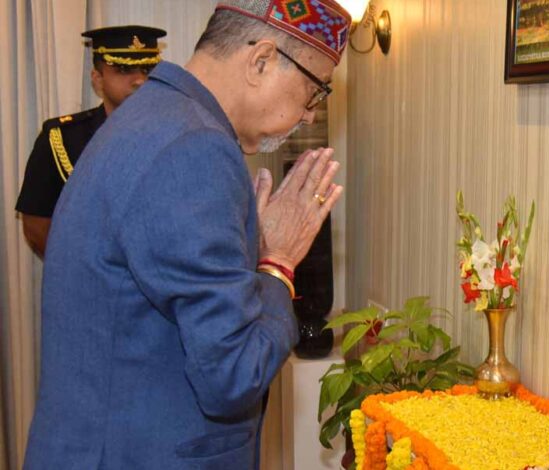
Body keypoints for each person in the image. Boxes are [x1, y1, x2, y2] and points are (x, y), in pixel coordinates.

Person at [23, 1, 351, 469]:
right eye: (314, 90)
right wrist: (277, 263)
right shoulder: (193, 147)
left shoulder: (156, 116)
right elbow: (233, 375)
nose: (309, 116)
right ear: (261, 60)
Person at [15, 25, 167, 259]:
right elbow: (37, 227)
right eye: (124, 69)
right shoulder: (62, 139)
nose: (139, 80)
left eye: (147, 69)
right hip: (86, 276)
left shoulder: (174, 135)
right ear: (98, 79)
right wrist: (82, 271)